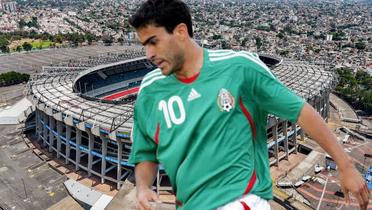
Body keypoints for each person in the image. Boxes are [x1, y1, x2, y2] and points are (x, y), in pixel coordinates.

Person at [127, 0, 370, 209]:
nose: (148, 54)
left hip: (241, 200)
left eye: (153, 42)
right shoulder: (150, 90)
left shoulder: (238, 68)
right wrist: (143, 188)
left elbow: (301, 111)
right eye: (144, 45)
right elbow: (146, 151)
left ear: (180, 32)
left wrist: (345, 164)